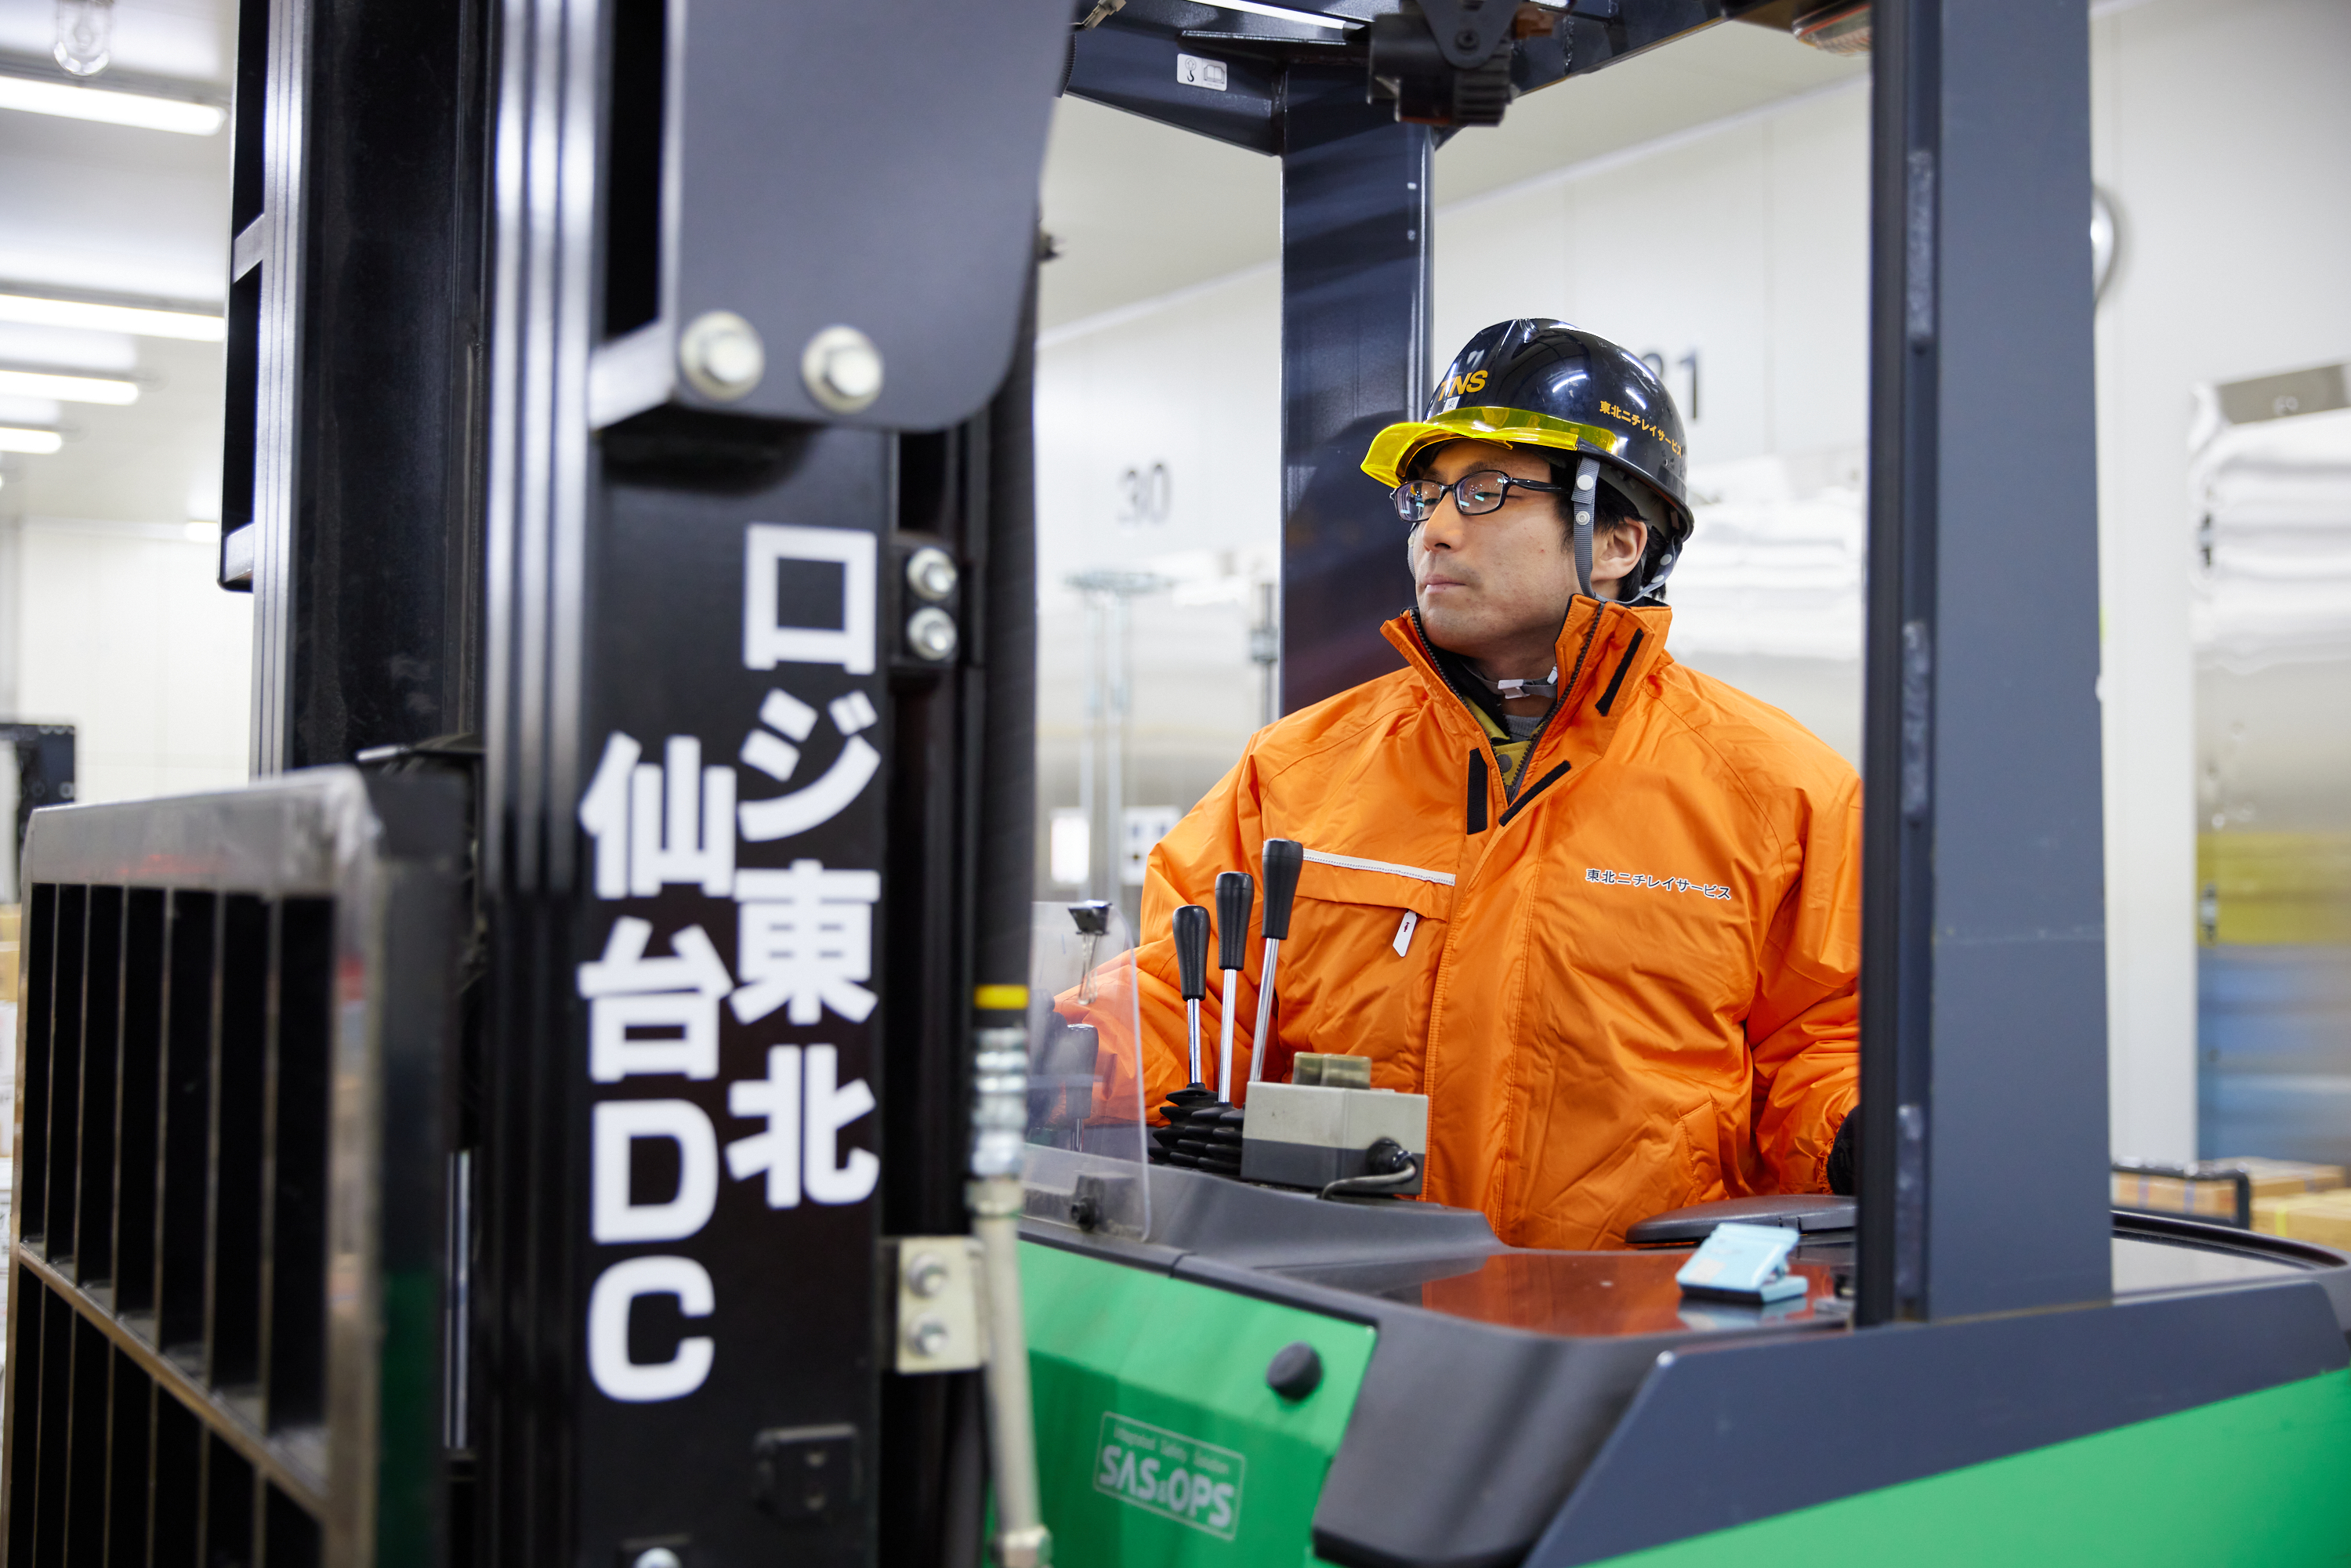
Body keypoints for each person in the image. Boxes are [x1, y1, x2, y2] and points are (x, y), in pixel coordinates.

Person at [1070, 319, 1859, 1251]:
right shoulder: (1293, 772)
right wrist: (1055, 1058)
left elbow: (1825, 1047)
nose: (1435, 531)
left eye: (1486, 493)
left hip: (1634, 1313)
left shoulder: (1780, 792)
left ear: (1616, 540)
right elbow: (1187, 1002)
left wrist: (1863, 1138)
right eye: (1427, 496)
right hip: (1360, 1301)